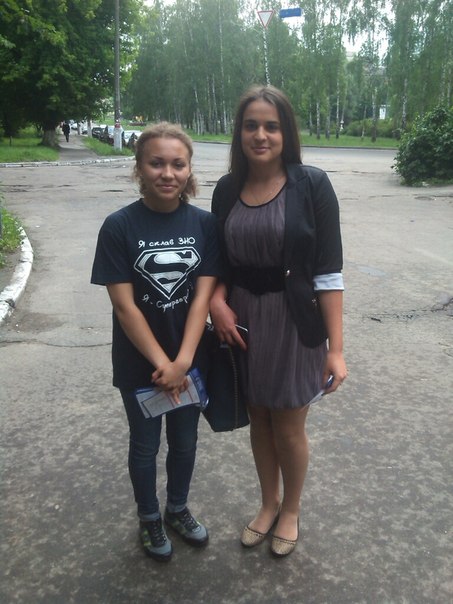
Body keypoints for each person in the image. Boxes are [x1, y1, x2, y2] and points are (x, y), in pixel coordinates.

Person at [209, 85, 347, 558]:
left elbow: (328, 272)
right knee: (258, 419)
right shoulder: (227, 189)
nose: (261, 135)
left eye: (271, 126)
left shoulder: (312, 185)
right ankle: (267, 504)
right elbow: (217, 262)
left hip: (295, 322)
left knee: (288, 424)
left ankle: (291, 510)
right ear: (239, 133)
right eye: (251, 125)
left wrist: (336, 349)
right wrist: (216, 302)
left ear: (286, 132)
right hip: (243, 321)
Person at [91, 123, 220, 562]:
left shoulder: (205, 224)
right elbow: (124, 306)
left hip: (190, 362)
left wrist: (182, 362)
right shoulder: (118, 226)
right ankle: (149, 517)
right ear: (139, 168)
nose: (168, 173)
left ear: (189, 169)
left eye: (178, 164)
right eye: (157, 163)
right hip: (140, 365)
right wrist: (164, 363)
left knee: (185, 442)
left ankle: (177, 509)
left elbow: (202, 297)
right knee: (145, 446)